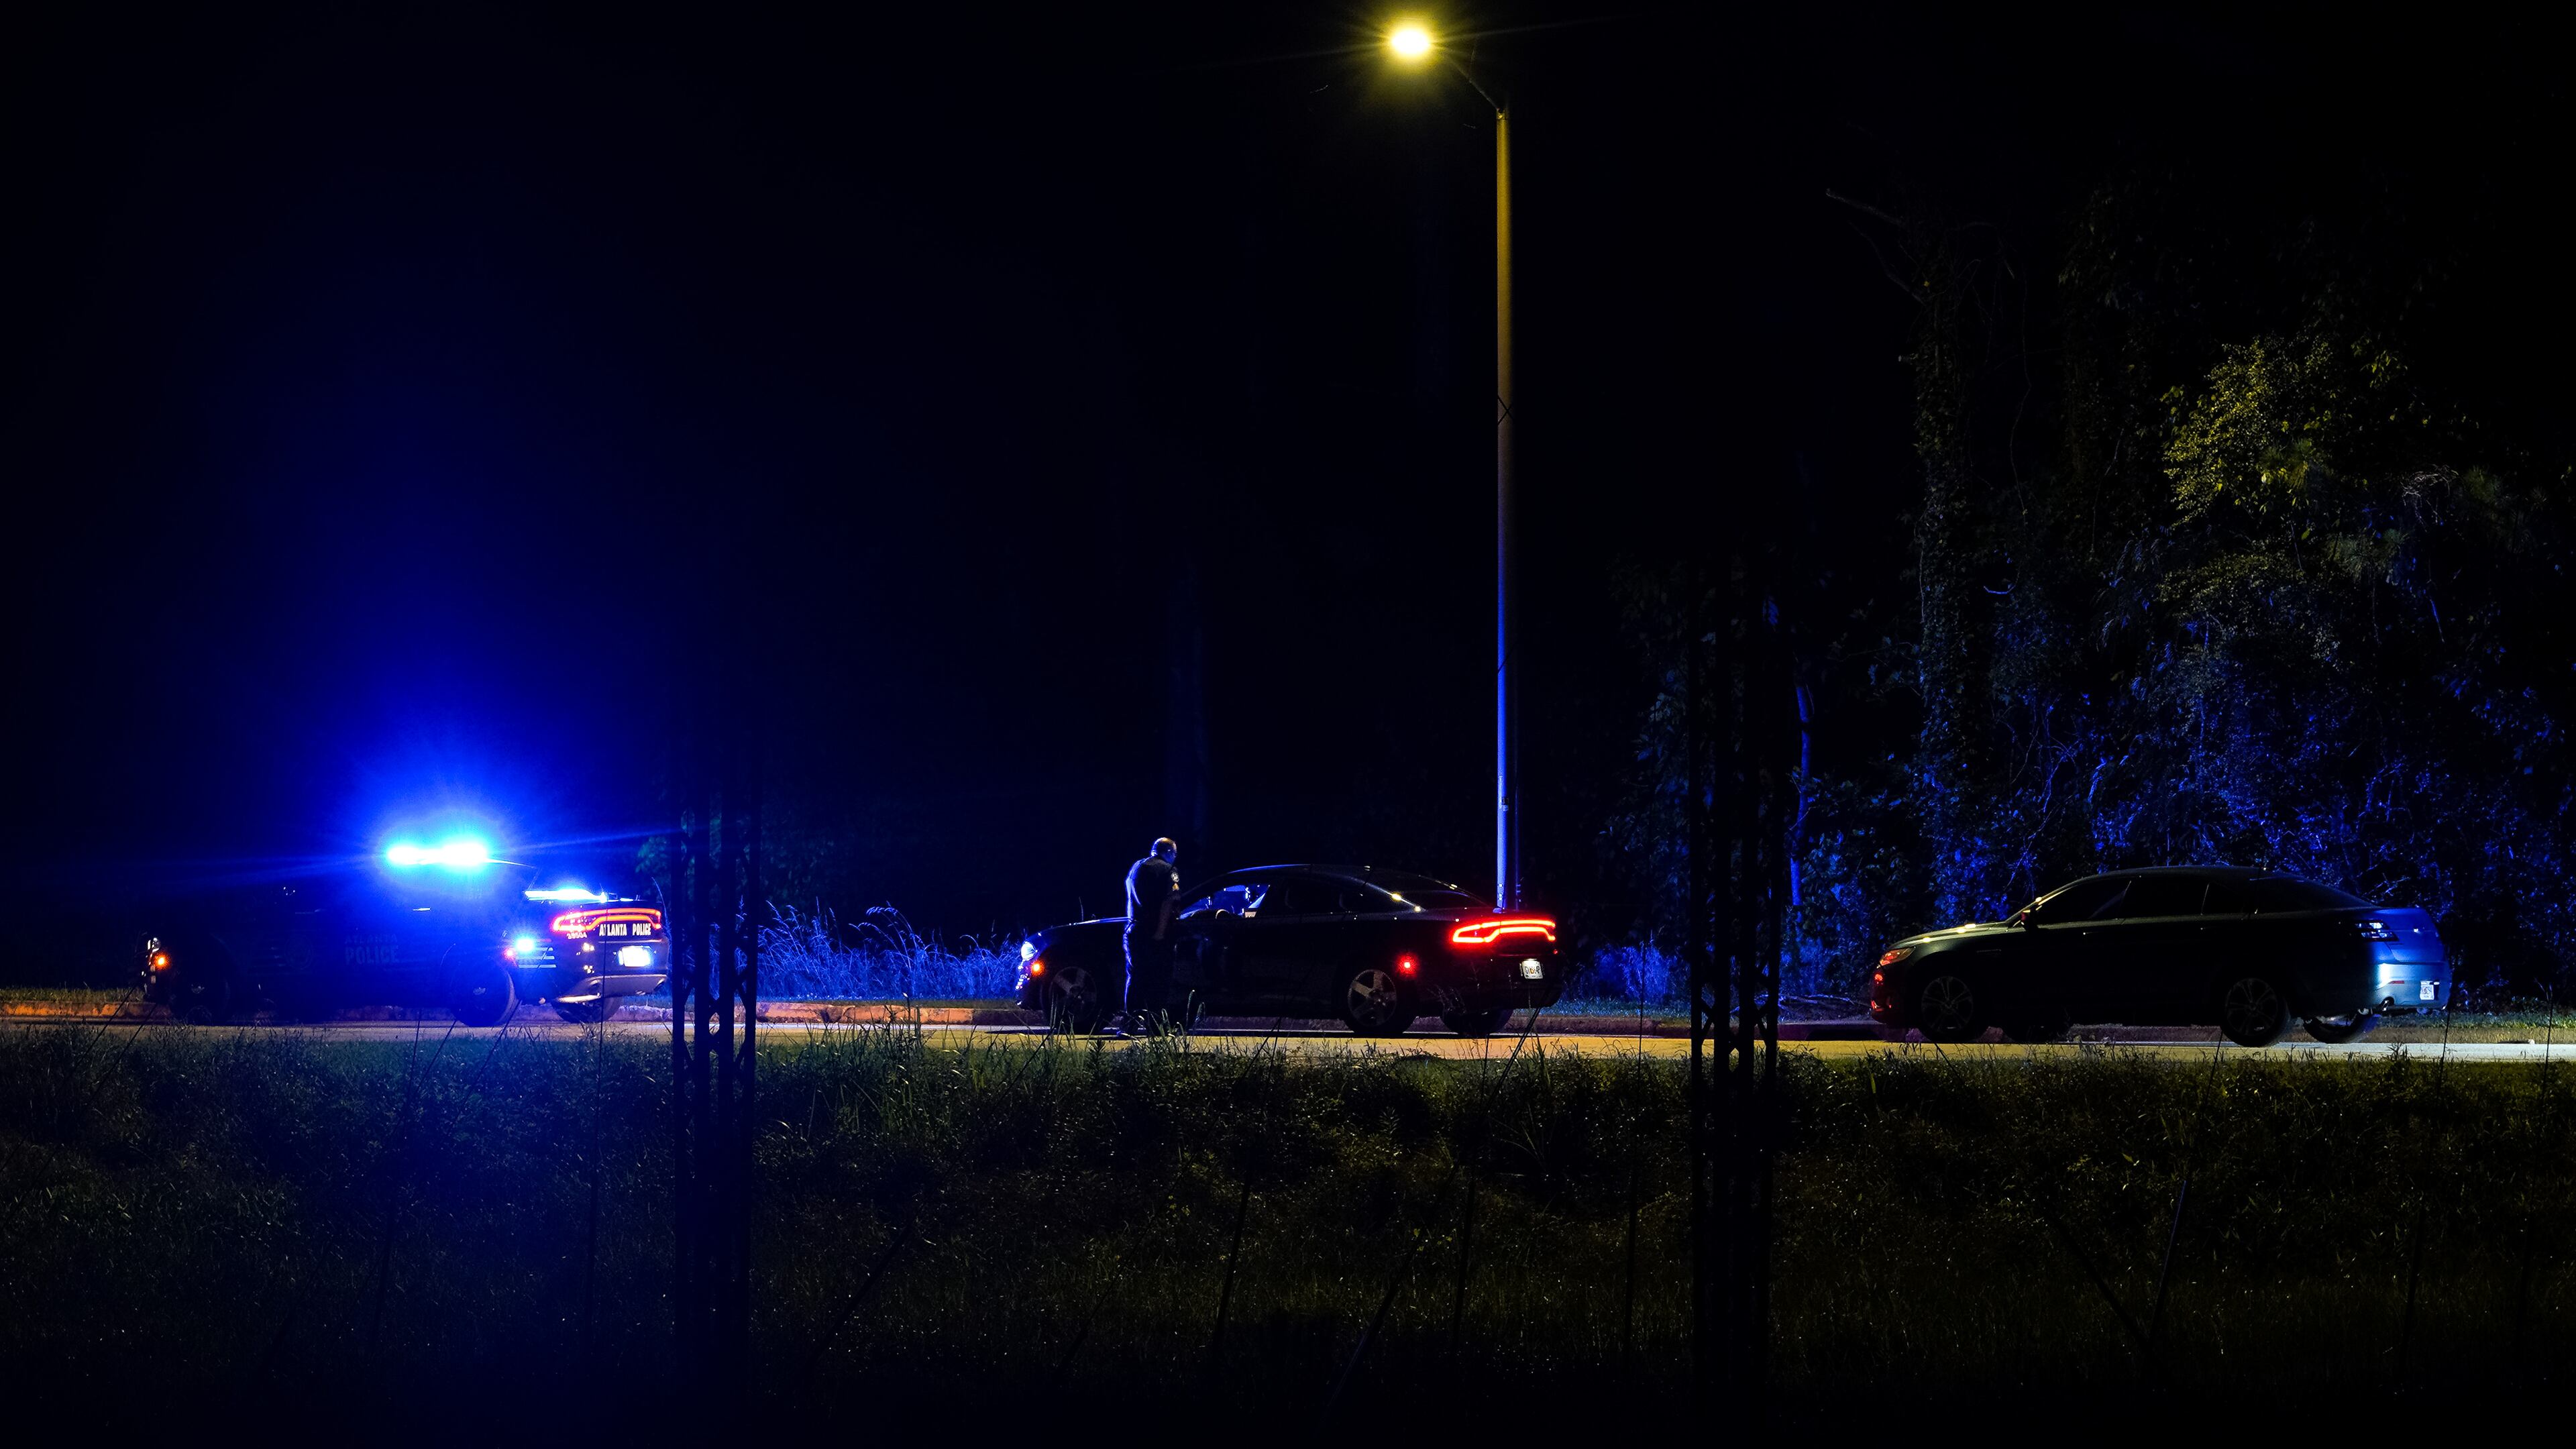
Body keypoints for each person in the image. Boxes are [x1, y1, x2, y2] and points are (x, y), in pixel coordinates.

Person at [1115, 837, 1181, 1035]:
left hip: (1134, 929)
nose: (1175, 858)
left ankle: (1130, 1024)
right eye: (1175, 854)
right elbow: (1170, 901)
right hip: (1155, 933)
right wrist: (1161, 931)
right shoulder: (1169, 871)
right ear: (1168, 853)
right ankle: (1156, 1026)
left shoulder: (1136, 867)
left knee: (1135, 978)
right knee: (1160, 979)